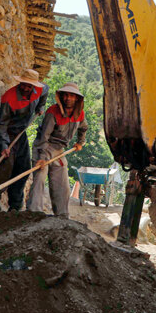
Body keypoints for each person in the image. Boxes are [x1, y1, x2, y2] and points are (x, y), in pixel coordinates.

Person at [0, 69, 48, 211]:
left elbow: (46, 91)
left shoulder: (39, 90)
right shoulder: (9, 98)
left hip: (21, 134)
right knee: (4, 168)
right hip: (6, 134)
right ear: (20, 82)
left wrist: (40, 106)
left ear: (34, 86)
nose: (26, 88)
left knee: (23, 167)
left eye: (29, 86)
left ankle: (15, 206)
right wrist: (4, 144)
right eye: (24, 84)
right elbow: (2, 124)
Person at [27, 82, 88, 218]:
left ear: (77, 98)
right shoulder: (52, 112)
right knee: (40, 177)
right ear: (61, 96)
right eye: (65, 95)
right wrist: (42, 157)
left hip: (59, 150)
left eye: (71, 95)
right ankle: (33, 212)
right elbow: (44, 137)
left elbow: (83, 127)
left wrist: (80, 142)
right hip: (44, 147)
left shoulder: (79, 114)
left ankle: (62, 215)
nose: (67, 98)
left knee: (62, 182)